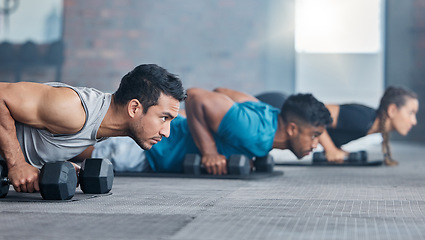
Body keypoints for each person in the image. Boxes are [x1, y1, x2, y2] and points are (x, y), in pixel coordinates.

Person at [0, 64, 187, 192]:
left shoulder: (100, 127)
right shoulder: (75, 110)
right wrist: (17, 163)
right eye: (164, 118)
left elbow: (42, 139)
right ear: (135, 108)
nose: (167, 132)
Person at [78, 87, 332, 175]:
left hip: (161, 146)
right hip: (147, 150)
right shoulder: (254, 131)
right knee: (67, 150)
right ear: (292, 128)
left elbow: (222, 92)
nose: (316, 145)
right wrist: (209, 150)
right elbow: (198, 96)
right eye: (313, 135)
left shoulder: (266, 116)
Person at [255, 86, 419, 166]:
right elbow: (317, 116)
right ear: (392, 110)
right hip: (274, 106)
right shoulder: (363, 118)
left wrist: (337, 149)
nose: (414, 121)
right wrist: (330, 149)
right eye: (411, 113)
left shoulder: (369, 124)